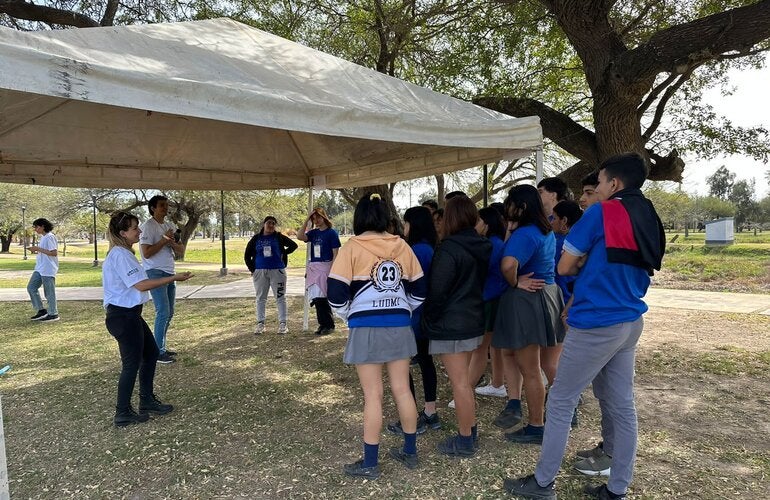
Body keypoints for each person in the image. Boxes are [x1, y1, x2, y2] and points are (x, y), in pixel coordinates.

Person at [505, 152, 665, 500]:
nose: (596, 190)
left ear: (614, 184)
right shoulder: (647, 213)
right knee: (623, 406)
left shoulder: (600, 213)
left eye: (601, 182)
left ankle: (543, 482)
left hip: (595, 321)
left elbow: (563, 267)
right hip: (630, 319)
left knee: (561, 400)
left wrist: (583, 264)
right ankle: (617, 487)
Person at [327, 193, 427, 479]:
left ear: (359, 217)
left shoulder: (352, 247)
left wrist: (351, 315)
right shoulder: (402, 246)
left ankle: (370, 462)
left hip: (365, 326)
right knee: (402, 389)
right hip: (399, 325)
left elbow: (335, 294)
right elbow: (419, 290)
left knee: (373, 395)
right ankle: (410, 451)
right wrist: (403, 309)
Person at [103, 211, 193, 427]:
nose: (140, 231)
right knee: (131, 364)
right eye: (135, 228)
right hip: (122, 316)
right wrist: (173, 277)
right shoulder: (120, 255)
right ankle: (122, 412)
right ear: (123, 233)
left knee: (151, 353)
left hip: (130, 314)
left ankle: (146, 401)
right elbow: (141, 285)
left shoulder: (123, 253)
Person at [492, 185, 564, 445]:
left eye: (510, 203)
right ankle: (520, 408)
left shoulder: (525, 233)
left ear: (520, 207)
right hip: (546, 295)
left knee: (531, 368)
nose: (506, 207)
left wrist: (514, 282)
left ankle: (536, 425)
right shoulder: (542, 230)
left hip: (527, 299)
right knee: (516, 356)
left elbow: (508, 264)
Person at [422, 196, 491, 457]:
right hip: (472, 318)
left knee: (460, 383)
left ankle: (465, 440)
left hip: (452, 323)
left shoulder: (449, 248)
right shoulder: (482, 245)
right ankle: (469, 430)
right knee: (463, 382)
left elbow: (438, 290)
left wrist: (429, 318)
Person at [387, 206, 440, 435]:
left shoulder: (416, 250)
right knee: (426, 362)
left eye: (406, 223)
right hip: (426, 315)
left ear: (413, 224)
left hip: (413, 315)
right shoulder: (430, 247)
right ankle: (430, 411)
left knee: (402, 366)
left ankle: (409, 416)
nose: (404, 228)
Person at [469, 207, 510, 400]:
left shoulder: (491, 245)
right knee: (494, 346)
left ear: (486, 224)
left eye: (477, 221)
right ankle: (498, 384)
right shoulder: (496, 243)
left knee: (479, 348)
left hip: (489, 299)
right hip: (494, 298)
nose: (475, 225)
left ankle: (465, 390)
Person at [139, 195, 185, 364]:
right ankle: (157, 351)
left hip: (169, 272)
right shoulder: (148, 227)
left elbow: (181, 250)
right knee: (163, 311)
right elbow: (147, 253)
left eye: (166, 205)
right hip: (155, 273)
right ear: (153, 208)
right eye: (161, 206)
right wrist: (163, 239)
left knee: (169, 313)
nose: (165, 208)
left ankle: (161, 346)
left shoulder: (168, 226)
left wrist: (171, 242)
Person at [244, 216, 298, 335]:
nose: (271, 225)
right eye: (269, 223)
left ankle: (283, 324)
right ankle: (260, 324)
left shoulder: (279, 237)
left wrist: (283, 252)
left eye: (273, 223)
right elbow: (247, 255)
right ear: (264, 224)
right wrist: (253, 269)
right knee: (260, 298)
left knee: (280, 297)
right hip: (260, 271)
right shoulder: (256, 238)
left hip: (277, 271)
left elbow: (294, 246)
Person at [297, 207, 341, 335]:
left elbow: (335, 253)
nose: (316, 220)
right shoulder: (313, 233)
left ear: (324, 217)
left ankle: (329, 324)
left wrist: (332, 271)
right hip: (314, 268)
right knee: (316, 298)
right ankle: (322, 324)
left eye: (318, 217)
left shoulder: (331, 233)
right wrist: (307, 220)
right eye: (314, 218)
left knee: (322, 297)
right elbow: (300, 236)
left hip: (326, 267)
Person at [26, 218, 60, 322]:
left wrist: (37, 249)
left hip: (48, 269)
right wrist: (36, 250)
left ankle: (53, 314)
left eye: (36, 227)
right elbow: (45, 252)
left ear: (42, 226)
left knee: (49, 292)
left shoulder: (50, 237)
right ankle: (41, 310)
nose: (35, 229)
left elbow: (54, 253)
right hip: (40, 268)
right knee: (31, 287)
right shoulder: (44, 238)